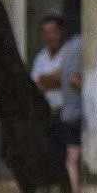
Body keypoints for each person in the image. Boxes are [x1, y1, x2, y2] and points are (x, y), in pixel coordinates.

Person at [31, 14, 84, 181]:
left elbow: (67, 79)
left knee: (71, 159)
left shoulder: (71, 51)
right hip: (48, 115)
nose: (49, 37)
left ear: (62, 32)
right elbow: (37, 84)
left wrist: (52, 79)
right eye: (45, 33)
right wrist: (54, 79)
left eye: (53, 32)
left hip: (67, 114)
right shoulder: (41, 57)